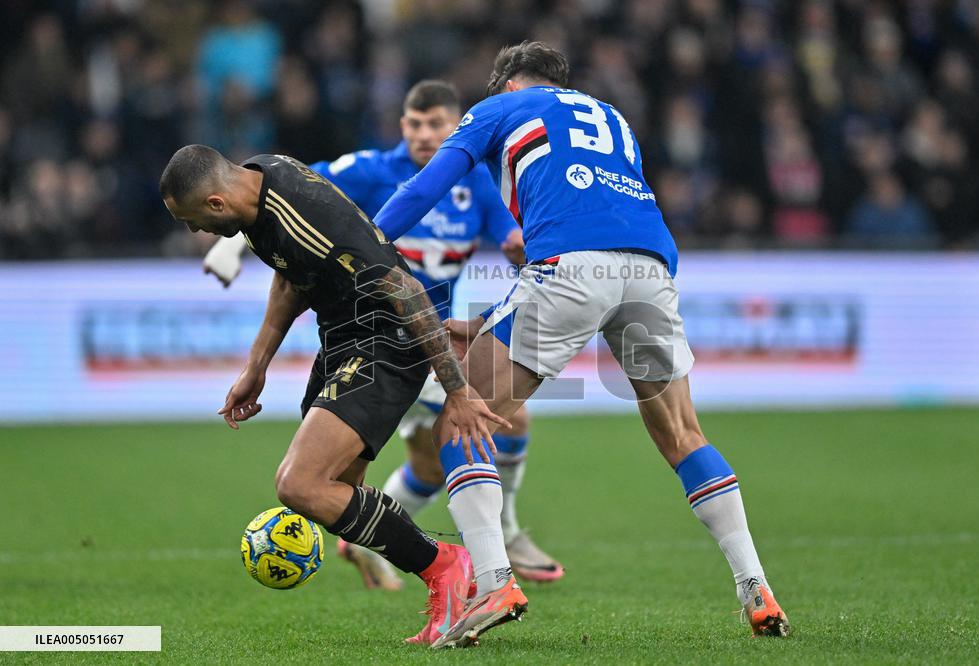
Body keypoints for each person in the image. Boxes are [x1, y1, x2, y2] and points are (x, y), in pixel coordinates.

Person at [373, 42, 791, 647]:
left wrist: (362, 244)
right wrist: (493, 317)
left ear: (507, 85)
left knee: (461, 422)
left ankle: (493, 583)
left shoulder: (499, 108)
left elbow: (423, 189)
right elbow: (599, 229)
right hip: (650, 270)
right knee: (684, 435)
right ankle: (755, 585)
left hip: (569, 269)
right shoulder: (612, 118)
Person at [203, 80, 565, 588]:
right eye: (415, 124)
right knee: (498, 422)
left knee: (434, 461)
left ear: (457, 128)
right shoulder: (369, 170)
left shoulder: (477, 183)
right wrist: (232, 245)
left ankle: (395, 543)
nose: (424, 134)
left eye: (436, 124)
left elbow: (511, 234)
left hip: (430, 336)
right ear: (401, 126)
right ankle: (494, 540)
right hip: (381, 337)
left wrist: (521, 245)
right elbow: (277, 196)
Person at [159, 145, 510, 646]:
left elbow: (407, 290)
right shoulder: (258, 188)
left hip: (385, 341)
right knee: (339, 492)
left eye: (193, 220)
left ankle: (446, 567)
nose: (197, 231)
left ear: (216, 203)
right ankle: (450, 578)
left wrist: (456, 390)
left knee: (300, 485)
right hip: (343, 338)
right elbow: (290, 278)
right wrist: (257, 365)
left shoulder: (304, 214)